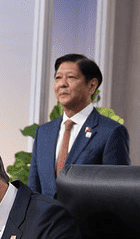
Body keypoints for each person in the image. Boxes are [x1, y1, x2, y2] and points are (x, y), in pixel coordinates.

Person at [28, 53, 130, 198]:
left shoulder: (110, 132)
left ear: (92, 85)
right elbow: (34, 189)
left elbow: (117, 192)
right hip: (47, 220)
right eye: (58, 78)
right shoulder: (44, 132)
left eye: (71, 77)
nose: (62, 84)